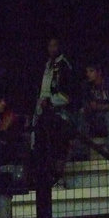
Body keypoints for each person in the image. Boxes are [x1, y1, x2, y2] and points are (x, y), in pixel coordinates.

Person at [33, 37, 75, 189]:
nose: (52, 48)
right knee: (41, 146)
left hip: (59, 115)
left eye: (55, 45)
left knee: (58, 146)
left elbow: (68, 95)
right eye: (49, 45)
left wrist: (50, 102)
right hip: (43, 115)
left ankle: (58, 178)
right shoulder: (45, 66)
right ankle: (47, 178)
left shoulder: (65, 66)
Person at [79, 62, 109, 156]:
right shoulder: (86, 86)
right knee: (82, 115)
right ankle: (81, 152)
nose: (88, 74)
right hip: (96, 119)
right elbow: (88, 105)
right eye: (87, 71)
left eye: (91, 71)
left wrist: (100, 107)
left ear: (99, 72)